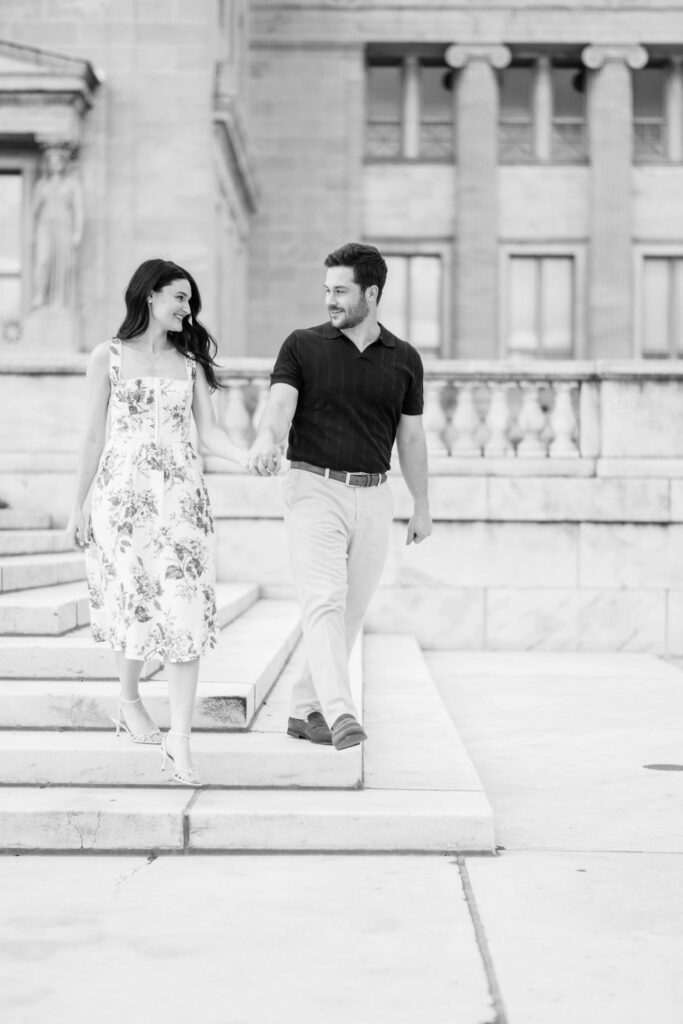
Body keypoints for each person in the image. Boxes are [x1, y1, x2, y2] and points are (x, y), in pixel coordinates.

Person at [66, 258, 248, 786]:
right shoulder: (109, 358)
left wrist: (246, 459)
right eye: (179, 297)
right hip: (123, 502)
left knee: (185, 615)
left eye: (190, 301)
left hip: (183, 503)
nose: (187, 309)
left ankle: (181, 741)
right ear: (150, 296)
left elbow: (210, 434)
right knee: (137, 605)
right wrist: (77, 506)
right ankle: (128, 699)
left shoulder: (191, 364)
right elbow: (92, 437)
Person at [247, 242, 432, 751]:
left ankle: (304, 710)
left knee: (349, 611)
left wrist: (422, 503)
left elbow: (411, 438)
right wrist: (268, 439)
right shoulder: (302, 345)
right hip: (312, 488)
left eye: (341, 291)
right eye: (326, 289)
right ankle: (340, 711)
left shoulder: (405, 359)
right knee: (324, 601)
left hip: (374, 496)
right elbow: (280, 405)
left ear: (371, 293)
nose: (329, 299)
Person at [32, 144, 84, 310]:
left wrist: (77, 233)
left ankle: (59, 301)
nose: (55, 164)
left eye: (58, 161)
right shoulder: (41, 184)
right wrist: (31, 233)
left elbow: (79, 209)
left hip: (64, 225)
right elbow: (33, 211)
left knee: (62, 264)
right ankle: (40, 295)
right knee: (44, 260)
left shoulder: (72, 183)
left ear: (64, 163)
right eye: (51, 161)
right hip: (45, 225)